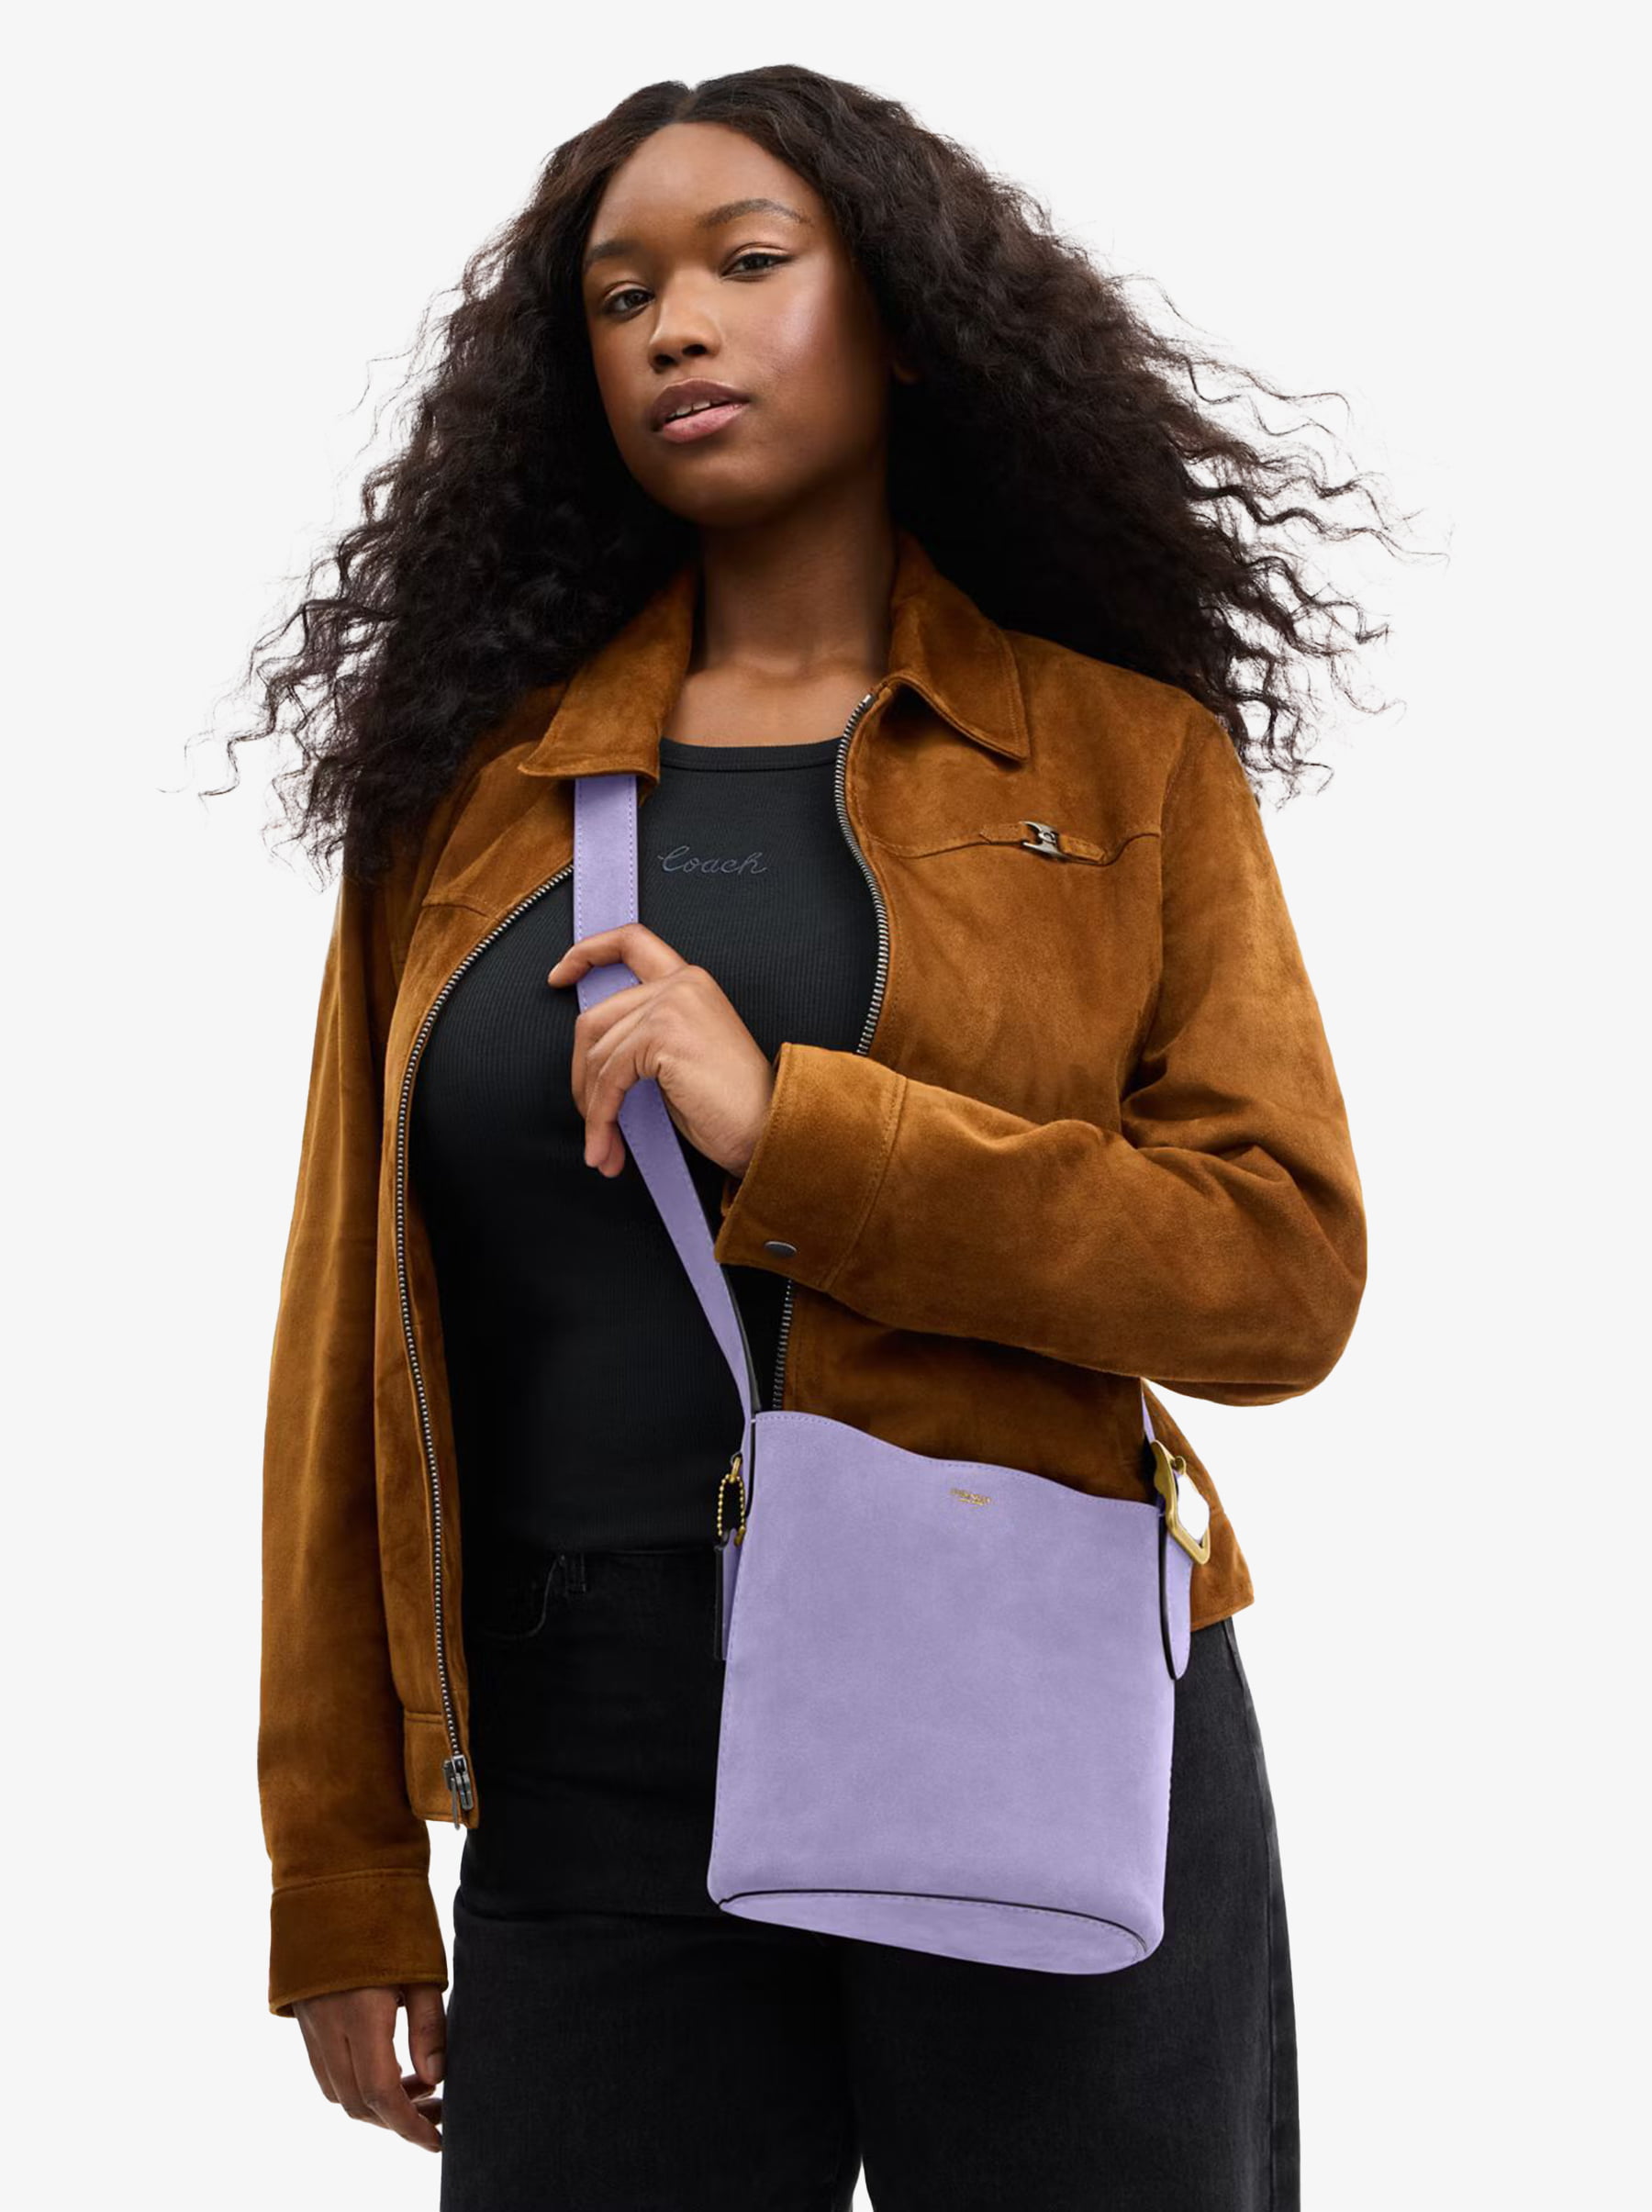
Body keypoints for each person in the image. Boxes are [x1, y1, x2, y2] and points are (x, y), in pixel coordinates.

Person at [239, 62, 1390, 2212]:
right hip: (589, 1758)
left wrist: (800, 1131)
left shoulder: (1120, 762)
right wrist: (341, 1864)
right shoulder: (466, 805)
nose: (673, 324)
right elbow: (346, 1345)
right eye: (618, 297)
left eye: (746, 263)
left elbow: (1279, 1265)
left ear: (906, 319)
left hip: (1027, 1700)